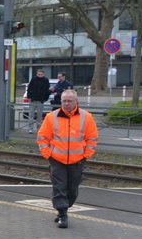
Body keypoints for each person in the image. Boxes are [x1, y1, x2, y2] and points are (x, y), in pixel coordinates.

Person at [37, 89, 98, 229]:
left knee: (72, 189)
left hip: (77, 160)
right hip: (57, 159)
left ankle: (63, 209)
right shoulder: (51, 117)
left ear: (76, 101)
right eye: (64, 101)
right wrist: (47, 154)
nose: (66, 103)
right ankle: (63, 214)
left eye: (69, 101)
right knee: (59, 187)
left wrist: (86, 155)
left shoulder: (86, 117)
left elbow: (92, 138)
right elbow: (42, 137)